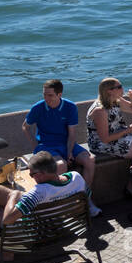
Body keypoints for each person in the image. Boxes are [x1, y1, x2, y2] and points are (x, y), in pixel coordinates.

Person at [23, 80, 97, 216]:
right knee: (60, 165)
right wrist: (35, 148)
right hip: (46, 145)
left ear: (59, 94)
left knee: (90, 160)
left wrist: (69, 152)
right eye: (44, 94)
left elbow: (72, 133)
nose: (46, 98)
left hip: (66, 143)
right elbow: (25, 127)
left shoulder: (70, 107)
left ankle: (86, 200)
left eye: (50, 95)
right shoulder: (38, 108)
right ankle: (62, 207)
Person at [87, 78, 132, 161]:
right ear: (109, 91)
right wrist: (128, 130)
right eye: (119, 87)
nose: (122, 89)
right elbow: (105, 139)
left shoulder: (116, 100)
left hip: (120, 132)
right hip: (102, 144)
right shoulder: (100, 110)